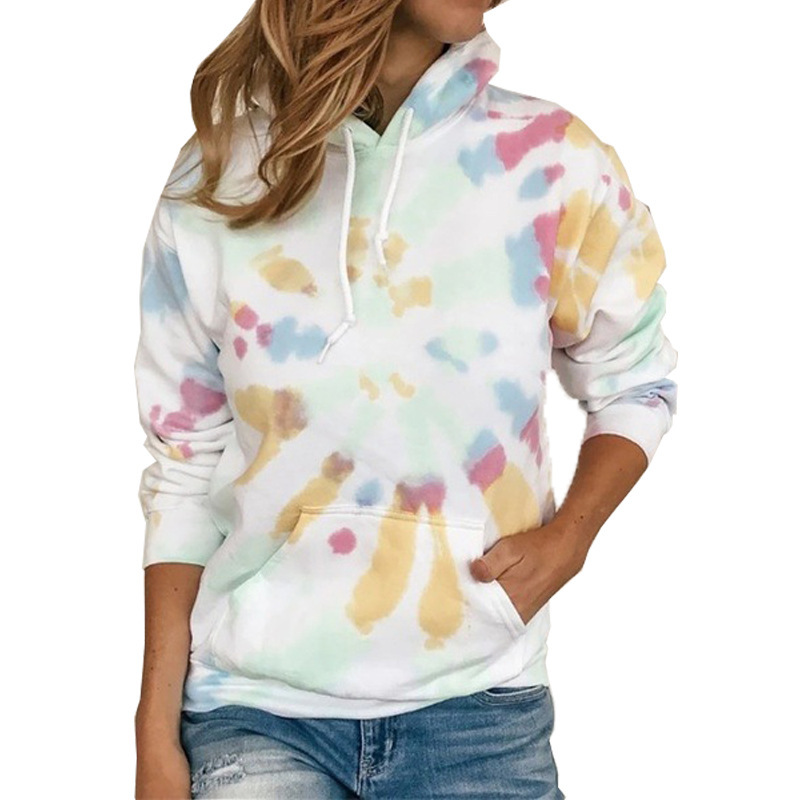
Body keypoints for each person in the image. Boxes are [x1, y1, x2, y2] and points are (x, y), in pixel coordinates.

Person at [133, 0, 678, 797]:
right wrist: (153, 733)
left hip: (480, 712)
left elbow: (636, 380)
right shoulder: (217, 181)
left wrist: (571, 539)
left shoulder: (552, 162)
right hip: (256, 712)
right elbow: (183, 468)